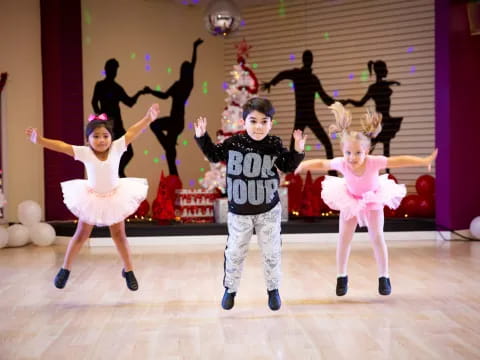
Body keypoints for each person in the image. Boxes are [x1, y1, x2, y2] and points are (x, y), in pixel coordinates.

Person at [295, 102, 437, 296]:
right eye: (348, 153)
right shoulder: (343, 163)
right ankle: (341, 276)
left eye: (358, 153)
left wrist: (423, 161)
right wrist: (303, 166)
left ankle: (384, 277)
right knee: (344, 239)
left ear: (367, 151)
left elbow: (399, 161)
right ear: (343, 151)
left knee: (377, 237)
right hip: (350, 201)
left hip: (372, 201)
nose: (352, 158)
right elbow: (322, 162)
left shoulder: (374, 162)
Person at [25, 104, 160, 291]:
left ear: (111, 137)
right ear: (88, 139)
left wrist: (148, 118)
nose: (101, 140)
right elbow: (61, 146)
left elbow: (133, 132)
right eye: (96, 136)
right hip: (92, 198)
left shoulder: (118, 147)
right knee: (81, 234)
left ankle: (128, 271)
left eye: (105, 136)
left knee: (119, 235)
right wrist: (39, 140)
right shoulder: (85, 152)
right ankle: (65, 269)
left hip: (115, 197)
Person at [194, 97, 306, 311]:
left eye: (264, 121)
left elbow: (287, 165)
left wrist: (298, 150)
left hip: (268, 212)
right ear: (244, 122)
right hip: (239, 213)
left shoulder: (273, 144)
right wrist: (202, 137)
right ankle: (230, 289)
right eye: (253, 121)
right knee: (235, 252)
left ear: (271, 123)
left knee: (272, 252)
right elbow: (214, 155)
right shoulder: (234, 143)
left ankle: (273, 290)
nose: (258, 126)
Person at [262, 50, 335, 162]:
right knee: (295, 148)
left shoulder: (310, 78)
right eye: (308, 59)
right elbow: (283, 74)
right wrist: (271, 83)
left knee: (324, 144)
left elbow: (325, 98)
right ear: (307, 60)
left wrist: (338, 104)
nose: (309, 61)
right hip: (304, 117)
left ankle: (332, 174)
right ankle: (291, 175)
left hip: (307, 116)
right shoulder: (302, 75)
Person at [144, 38, 203, 176]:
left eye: (184, 70)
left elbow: (193, 65)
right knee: (158, 131)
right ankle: (173, 174)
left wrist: (195, 48)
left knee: (167, 146)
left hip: (177, 122)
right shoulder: (177, 85)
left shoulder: (187, 85)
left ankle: (173, 173)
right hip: (173, 120)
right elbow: (164, 95)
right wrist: (151, 91)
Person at [91, 58, 145, 177]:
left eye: (115, 70)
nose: (114, 72)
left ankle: (118, 171)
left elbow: (129, 102)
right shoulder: (100, 85)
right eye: (113, 69)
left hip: (117, 125)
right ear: (107, 70)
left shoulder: (116, 88)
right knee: (109, 152)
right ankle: (115, 173)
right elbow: (94, 102)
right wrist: (101, 118)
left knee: (128, 152)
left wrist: (140, 93)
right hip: (108, 126)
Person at [344, 60, 402, 160]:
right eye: (385, 69)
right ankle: (364, 167)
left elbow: (360, 103)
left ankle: (381, 171)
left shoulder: (375, 87)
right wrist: (349, 101)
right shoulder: (381, 86)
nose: (387, 71)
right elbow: (361, 103)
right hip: (382, 121)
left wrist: (349, 101)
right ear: (381, 71)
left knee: (377, 148)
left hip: (382, 120)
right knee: (376, 149)